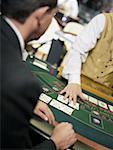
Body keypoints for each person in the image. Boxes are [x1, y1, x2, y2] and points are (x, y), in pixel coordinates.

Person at [1, 0, 77, 149]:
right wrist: (55, 143)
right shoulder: (22, 84)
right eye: (53, 15)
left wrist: (14, 103)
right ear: (41, 15)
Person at [60, 12, 113, 103]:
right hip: (79, 83)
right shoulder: (103, 20)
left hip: (105, 94)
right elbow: (78, 50)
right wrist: (74, 82)